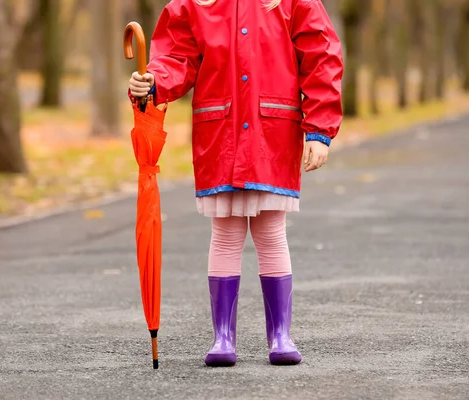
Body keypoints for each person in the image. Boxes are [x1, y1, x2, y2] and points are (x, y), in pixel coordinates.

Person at [129, 0, 343, 367]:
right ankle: (222, 336)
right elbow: (176, 56)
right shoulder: (193, 4)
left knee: (271, 230)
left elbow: (321, 54)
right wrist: (153, 82)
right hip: (222, 132)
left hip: (271, 133)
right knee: (225, 231)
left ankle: (280, 334)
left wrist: (319, 129)